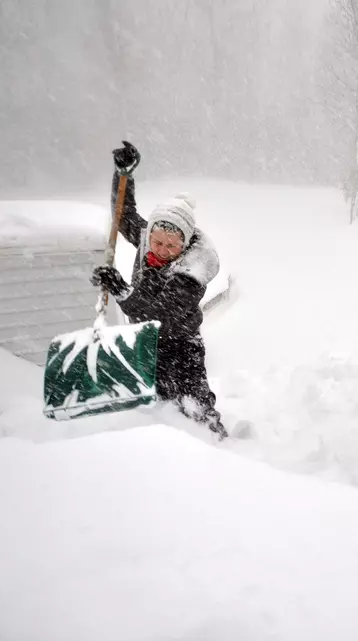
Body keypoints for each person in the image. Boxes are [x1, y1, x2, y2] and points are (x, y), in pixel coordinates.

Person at [91, 140, 229, 439]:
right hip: (148, 342)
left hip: (181, 344)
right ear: (150, 233)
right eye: (157, 242)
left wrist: (120, 289)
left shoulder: (193, 267)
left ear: (185, 242)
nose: (163, 250)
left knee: (196, 406)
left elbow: (157, 315)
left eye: (171, 245)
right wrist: (123, 175)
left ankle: (219, 447)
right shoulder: (148, 237)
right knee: (160, 406)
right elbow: (123, 216)